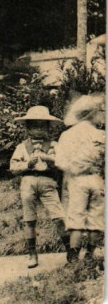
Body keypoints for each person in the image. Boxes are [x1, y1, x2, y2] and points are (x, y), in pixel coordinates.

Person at [9, 106, 69, 269]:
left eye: (42, 125)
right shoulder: (22, 147)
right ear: (28, 128)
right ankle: (32, 253)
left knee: (58, 216)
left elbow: (63, 163)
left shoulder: (54, 145)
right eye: (34, 125)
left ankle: (71, 251)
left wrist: (48, 158)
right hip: (28, 182)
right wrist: (27, 164)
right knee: (29, 219)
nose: (38, 130)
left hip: (48, 182)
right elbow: (13, 167)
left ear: (48, 128)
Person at [56, 94, 105, 264]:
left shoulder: (67, 135)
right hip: (97, 179)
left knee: (76, 217)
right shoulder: (101, 135)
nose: (103, 113)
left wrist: (76, 167)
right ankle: (90, 256)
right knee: (96, 216)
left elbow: (60, 162)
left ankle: (74, 257)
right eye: (100, 110)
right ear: (91, 113)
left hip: (77, 179)